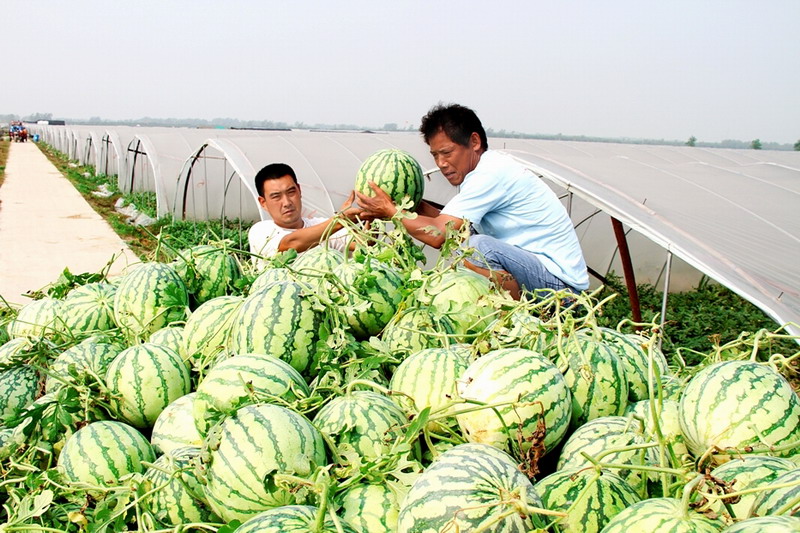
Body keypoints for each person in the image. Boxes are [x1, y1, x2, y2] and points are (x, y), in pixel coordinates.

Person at [355, 103, 589, 300]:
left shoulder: (490, 174)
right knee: (467, 240)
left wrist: (391, 211)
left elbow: (439, 235)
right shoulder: (486, 171)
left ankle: (517, 317)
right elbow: (454, 228)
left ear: (474, 142)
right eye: (435, 155)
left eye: (447, 153)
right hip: (542, 276)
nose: (441, 163)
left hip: (562, 291)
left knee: (476, 248)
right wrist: (409, 206)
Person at [248, 162, 363, 269]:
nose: (287, 203)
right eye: (276, 196)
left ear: (299, 190)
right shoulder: (260, 231)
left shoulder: (321, 225)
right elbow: (291, 244)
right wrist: (339, 221)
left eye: (291, 192)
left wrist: (369, 215)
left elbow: (362, 244)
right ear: (263, 203)